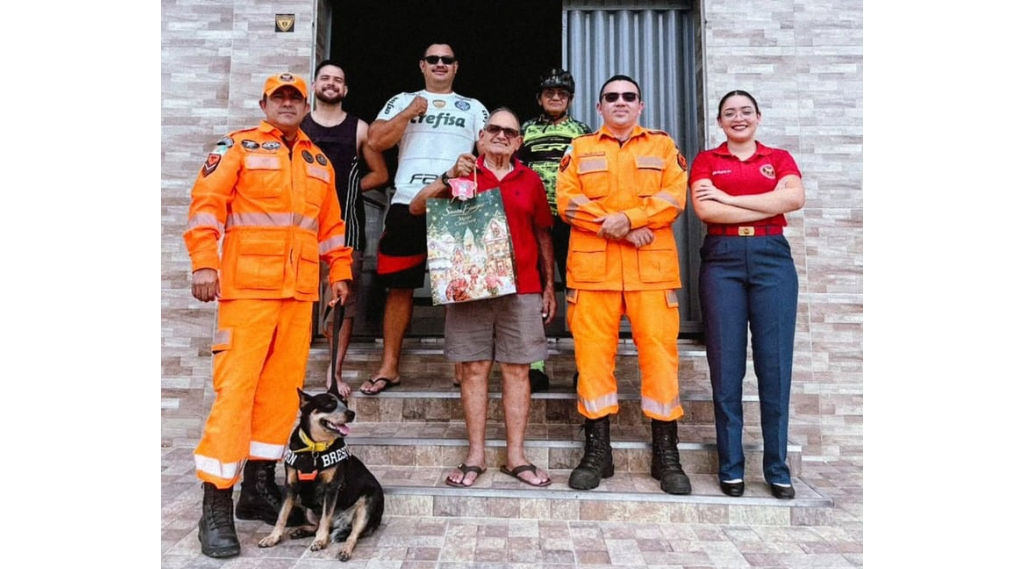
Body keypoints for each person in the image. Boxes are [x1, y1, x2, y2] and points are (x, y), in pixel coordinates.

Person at [183, 72, 353, 558]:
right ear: (264, 103)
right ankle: (215, 504)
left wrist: (338, 271)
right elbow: (206, 208)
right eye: (278, 97)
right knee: (235, 394)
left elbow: (331, 226)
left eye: (294, 98)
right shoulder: (236, 146)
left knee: (281, 398)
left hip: (298, 297)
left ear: (304, 105)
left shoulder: (319, 161)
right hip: (247, 293)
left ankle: (256, 490)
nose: (286, 104)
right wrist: (203, 264)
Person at [555, 75, 691, 495]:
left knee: (660, 360)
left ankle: (665, 454)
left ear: (640, 105)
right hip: (594, 274)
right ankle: (598, 451)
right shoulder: (579, 149)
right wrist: (621, 228)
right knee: (593, 360)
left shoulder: (663, 147)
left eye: (628, 97)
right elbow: (567, 201)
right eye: (611, 98)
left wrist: (630, 219)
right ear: (599, 109)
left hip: (651, 272)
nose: (620, 103)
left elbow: (674, 197)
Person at [409, 108, 556, 488]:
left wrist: (549, 286)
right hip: (471, 289)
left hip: (523, 288)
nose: (502, 136)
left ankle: (516, 457)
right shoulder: (464, 173)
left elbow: (543, 233)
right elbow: (416, 208)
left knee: (518, 370)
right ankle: (475, 455)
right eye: (494, 129)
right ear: (481, 136)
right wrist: (446, 178)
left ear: (520, 141)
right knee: (474, 369)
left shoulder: (531, 180)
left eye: (510, 131)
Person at [689, 90, 805, 500]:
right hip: (722, 261)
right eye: (729, 113)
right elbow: (707, 212)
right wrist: (761, 204)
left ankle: (776, 467)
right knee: (726, 367)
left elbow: (793, 199)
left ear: (758, 116)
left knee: (774, 367)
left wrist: (729, 198)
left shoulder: (780, 158)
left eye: (745, 112)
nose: (738, 118)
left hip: (773, 258)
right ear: (720, 121)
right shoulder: (707, 160)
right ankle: (731, 465)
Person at [361, 42, 488, 395]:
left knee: (459, 289)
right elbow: (375, 140)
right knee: (399, 286)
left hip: (456, 200)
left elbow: (492, 150)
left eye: (447, 60)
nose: (440, 64)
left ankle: (463, 369)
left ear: (456, 66)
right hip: (406, 200)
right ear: (422, 65)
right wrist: (408, 114)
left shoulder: (473, 106)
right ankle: (390, 366)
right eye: (433, 59)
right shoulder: (403, 99)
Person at [301, 59, 388, 398]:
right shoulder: (299, 124)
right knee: (300, 300)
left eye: (338, 79)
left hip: (345, 230)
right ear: (315, 85)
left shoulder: (359, 128)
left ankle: (333, 372)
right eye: (325, 78)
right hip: (301, 228)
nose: (332, 84)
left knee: (342, 303)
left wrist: (345, 191)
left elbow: (380, 174)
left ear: (345, 89)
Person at [518, 68, 592, 391]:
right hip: (533, 221)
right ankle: (535, 365)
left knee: (577, 289)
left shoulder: (583, 132)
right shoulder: (525, 130)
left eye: (562, 93)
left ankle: (585, 364)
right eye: (550, 93)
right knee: (533, 290)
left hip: (571, 220)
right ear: (539, 98)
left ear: (571, 99)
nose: (556, 97)